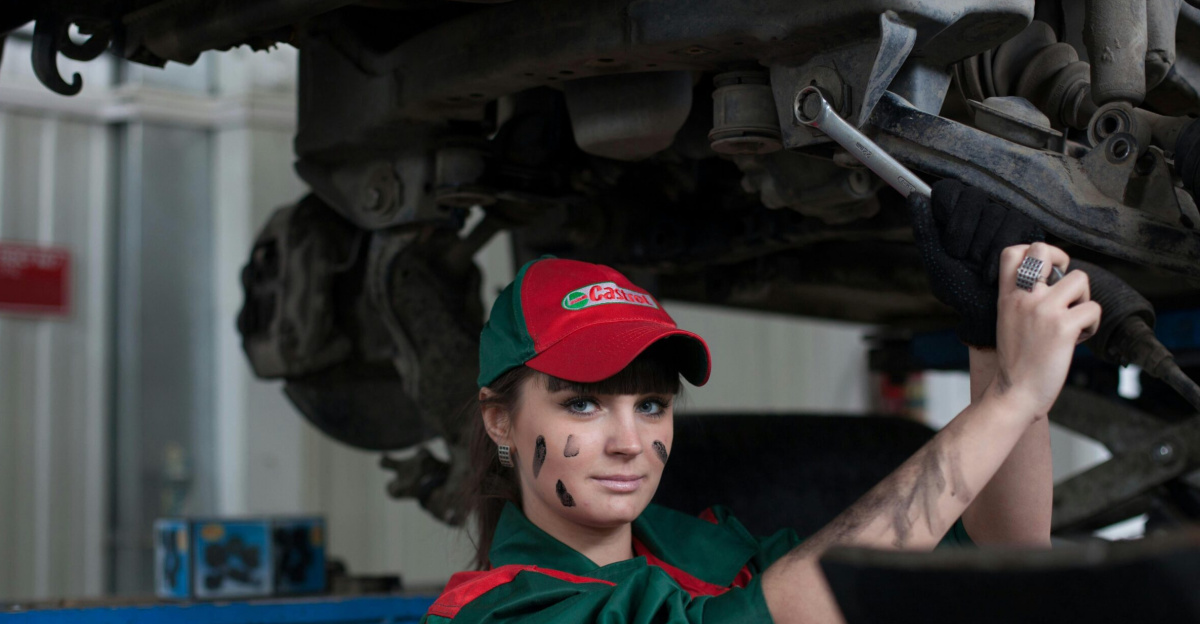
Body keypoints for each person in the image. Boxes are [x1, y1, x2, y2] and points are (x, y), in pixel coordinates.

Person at [420, 181, 1101, 624]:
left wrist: (991, 340)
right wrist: (1012, 398)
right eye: (584, 406)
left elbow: (999, 554)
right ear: (501, 419)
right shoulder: (498, 611)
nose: (630, 440)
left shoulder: (711, 550)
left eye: (652, 405)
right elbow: (791, 612)